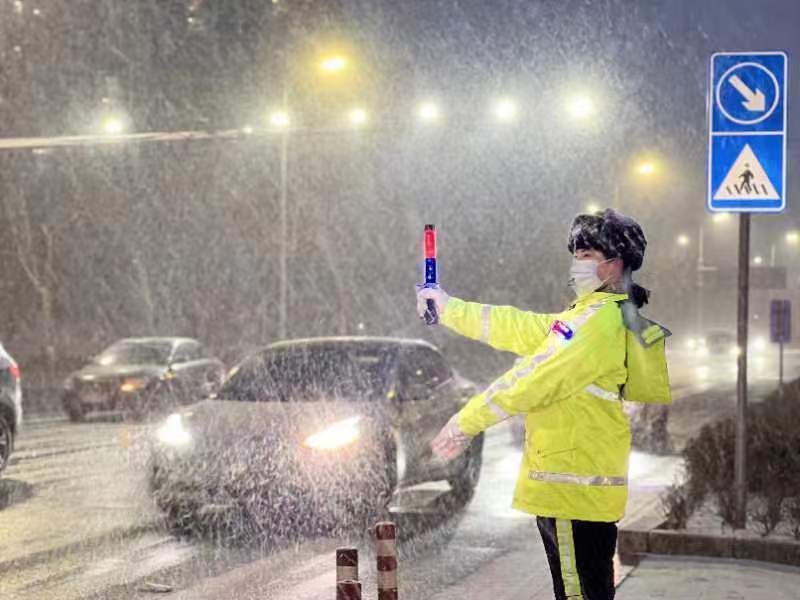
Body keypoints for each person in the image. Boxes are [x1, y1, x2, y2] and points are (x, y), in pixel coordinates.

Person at [416, 208, 671, 600]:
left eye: (587, 255)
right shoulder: (593, 315)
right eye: (577, 254)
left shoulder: (598, 323)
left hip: (573, 491)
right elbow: (513, 325)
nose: (577, 263)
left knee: (577, 594)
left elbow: (533, 380)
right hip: (579, 491)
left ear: (614, 264)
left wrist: (466, 421)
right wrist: (448, 307)